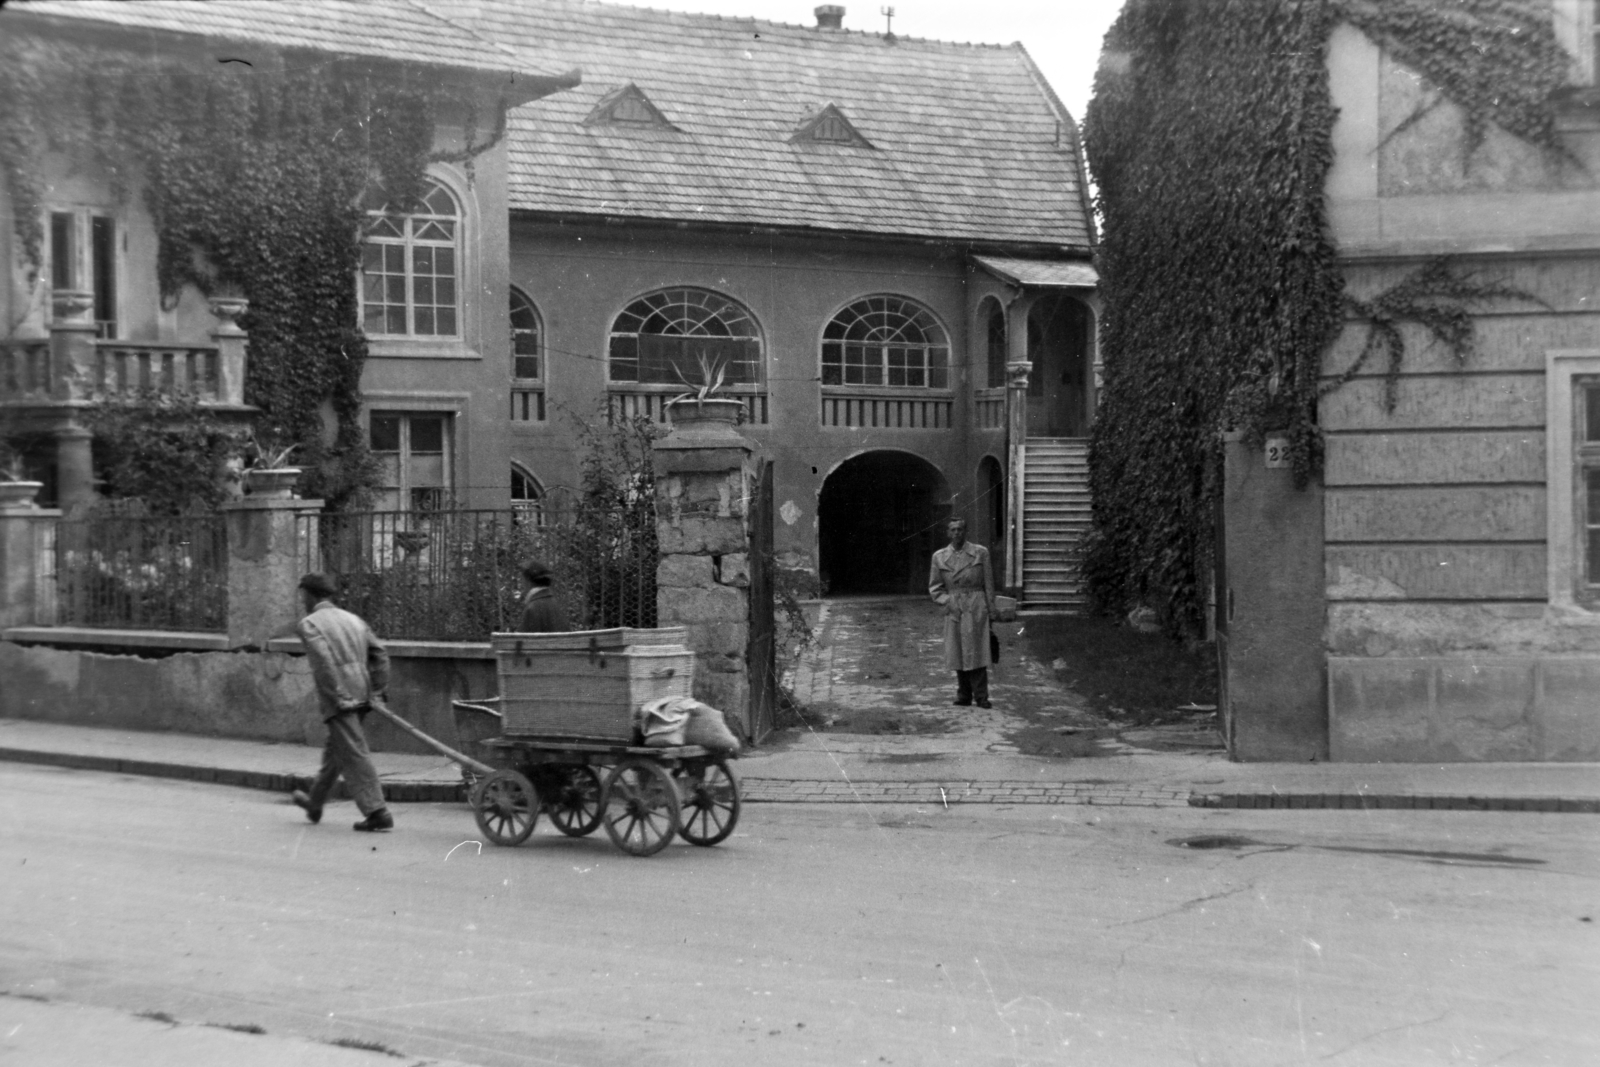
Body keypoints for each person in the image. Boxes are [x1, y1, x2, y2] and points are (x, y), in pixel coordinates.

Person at [290, 573, 394, 832]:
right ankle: (314, 804)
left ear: (308, 595)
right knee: (337, 749)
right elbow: (380, 654)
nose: (302, 599)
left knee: (353, 751)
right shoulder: (354, 620)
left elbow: (323, 664)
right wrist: (378, 690)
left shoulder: (309, 624)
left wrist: (338, 696)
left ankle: (377, 810)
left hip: (341, 698)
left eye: (302, 594)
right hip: (362, 692)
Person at [928, 518, 995, 708]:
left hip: (976, 604)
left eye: (960, 529)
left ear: (966, 532)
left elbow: (989, 584)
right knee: (957, 650)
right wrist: (947, 602)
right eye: (953, 530)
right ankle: (964, 694)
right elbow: (935, 588)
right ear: (948, 533)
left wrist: (991, 609)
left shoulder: (980, 553)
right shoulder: (939, 557)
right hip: (954, 605)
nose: (957, 533)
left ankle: (982, 696)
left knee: (979, 649)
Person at [517, 559, 568, 632]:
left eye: (522, 579)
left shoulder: (531, 609)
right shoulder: (556, 605)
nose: (521, 584)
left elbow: (521, 641)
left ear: (528, 581)